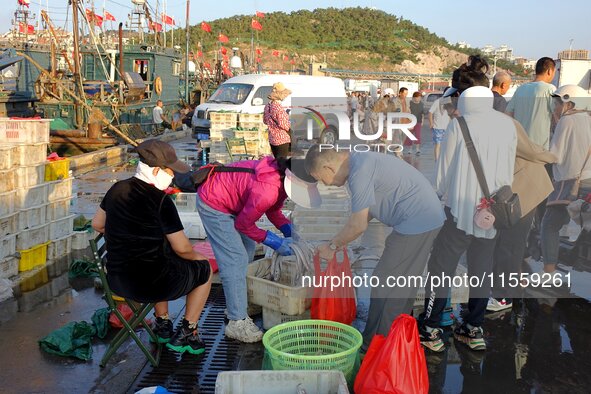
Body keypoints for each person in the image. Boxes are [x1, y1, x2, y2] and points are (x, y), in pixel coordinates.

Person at [304, 145, 445, 352]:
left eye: (320, 178)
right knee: (395, 282)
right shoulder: (359, 162)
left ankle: (380, 346)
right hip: (422, 218)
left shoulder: (359, 172)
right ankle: (389, 339)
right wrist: (344, 234)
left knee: (390, 286)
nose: (325, 184)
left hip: (417, 220)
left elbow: (359, 225)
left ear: (328, 167)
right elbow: (365, 214)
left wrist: (333, 245)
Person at [419, 85, 518, 352]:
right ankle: (473, 329)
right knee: (481, 269)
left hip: (460, 211)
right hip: (492, 213)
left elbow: (444, 171)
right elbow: (509, 167)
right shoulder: (508, 125)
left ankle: (430, 328)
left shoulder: (459, 125)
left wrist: (434, 198)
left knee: (441, 268)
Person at [91, 140, 212, 355]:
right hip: (147, 285)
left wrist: (125, 235)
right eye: (170, 171)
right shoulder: (160, 200)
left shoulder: (116, 189)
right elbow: (183, 248)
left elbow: (97, 224)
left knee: (160, 259)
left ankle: (163, 323)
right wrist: (198, 257)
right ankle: (188, 330)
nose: (173, 176)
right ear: (156, 170)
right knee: (204, 269)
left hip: (118, 281)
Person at [195, 156, 319, 343]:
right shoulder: (267, 190)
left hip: (233, 202)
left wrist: (289, 230)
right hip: (214, 202)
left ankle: (238, 302)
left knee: (248, 248)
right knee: (235, 259)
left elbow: (273, 211)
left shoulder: (281, 179)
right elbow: (244, 225)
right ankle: (236, 320)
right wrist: (275, 242)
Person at [488, 118, 556, 311]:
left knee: (510, 243)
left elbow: (530, 150)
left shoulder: (503, 122)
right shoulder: (477, 121)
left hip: (523, 188)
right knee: (506, 243)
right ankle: (510, 289)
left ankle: (505, 297)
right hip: (508, 190)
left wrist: (553, 157)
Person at [541, 85, 591, 277]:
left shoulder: (567, 120)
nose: (556, 107)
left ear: (570, 102)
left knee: (550, 225)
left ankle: (549, 271)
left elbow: (555, 155)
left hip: (569, 183)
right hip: (588, 180)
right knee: (585, 223)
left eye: (559, 103)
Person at [506, 57, 556, 149]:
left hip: (519, 146)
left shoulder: (520, 89)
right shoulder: (550, 89)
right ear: (549, 71)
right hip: (538, 149)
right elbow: (557, 116)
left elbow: (508, 113)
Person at [263, 82, 292, 158]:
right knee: (281, 163)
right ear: (281, 95)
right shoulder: (278, 108)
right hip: (282, 139)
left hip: (272, 138)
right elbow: (284, 125)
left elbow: (265, 121)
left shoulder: (267, 106)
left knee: (276, 162)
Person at [429, 93, 451, 161]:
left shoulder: (450, 103)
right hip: (437, 127)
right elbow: (430, 112)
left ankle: (444, 159)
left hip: (447, 127)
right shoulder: (437, 102)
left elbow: (451, 114)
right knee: (438, 144)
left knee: (446, 145)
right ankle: (437, 160)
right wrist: (431, 123)